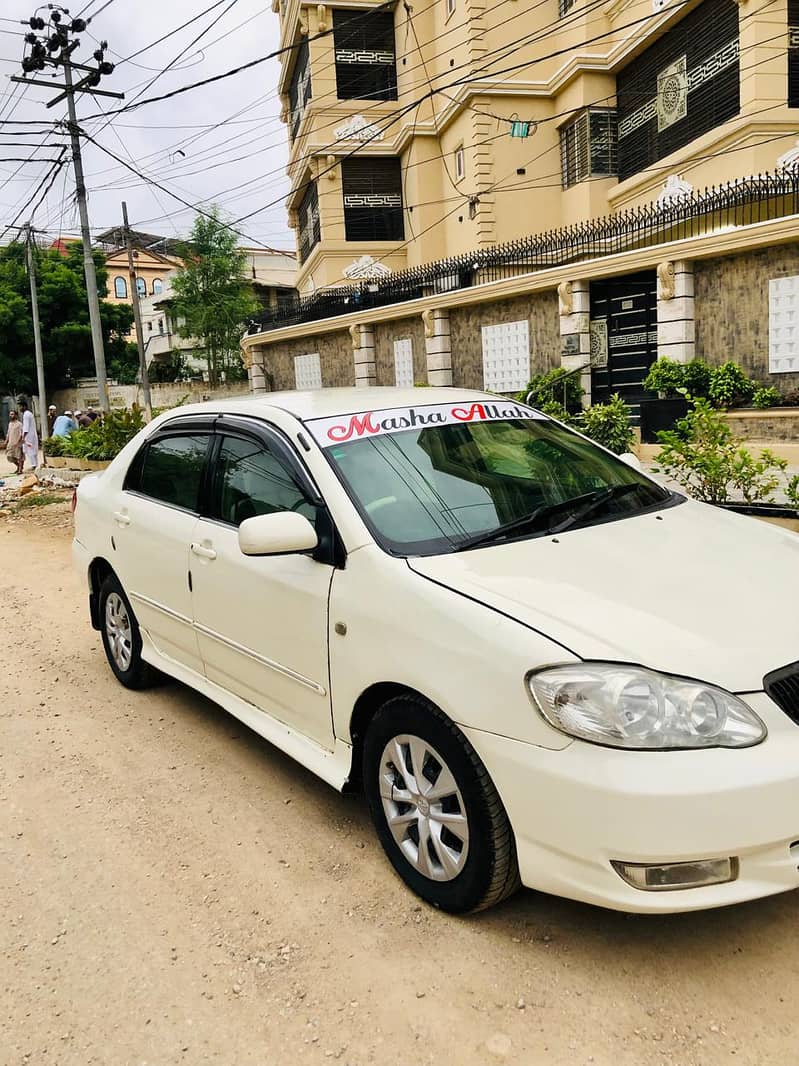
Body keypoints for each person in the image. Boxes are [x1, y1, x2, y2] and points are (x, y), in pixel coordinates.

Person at [18, 399, 39, 473]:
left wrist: (23, 437)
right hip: (32, 435)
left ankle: (34, 466)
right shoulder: (29, 413)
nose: (20, 408)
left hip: (29, 436)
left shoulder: (26, 415)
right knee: (33, 451)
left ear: (24, 406)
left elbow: (26, 428)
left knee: (30, 451)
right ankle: (35, 465)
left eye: (20, 406)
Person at [4, 410, 24, 475]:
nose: (11, 415)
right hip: (11, 443)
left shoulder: (19, 424)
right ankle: (19, 466)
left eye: (12, 414)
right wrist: (6, 441)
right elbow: (8, 433)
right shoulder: (10, 424)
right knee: (9, 456)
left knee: (19, 457)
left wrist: (18, 442)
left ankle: (20, 470)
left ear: (16, 415)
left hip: (17, 443)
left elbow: (21, 434)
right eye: (10, 414)